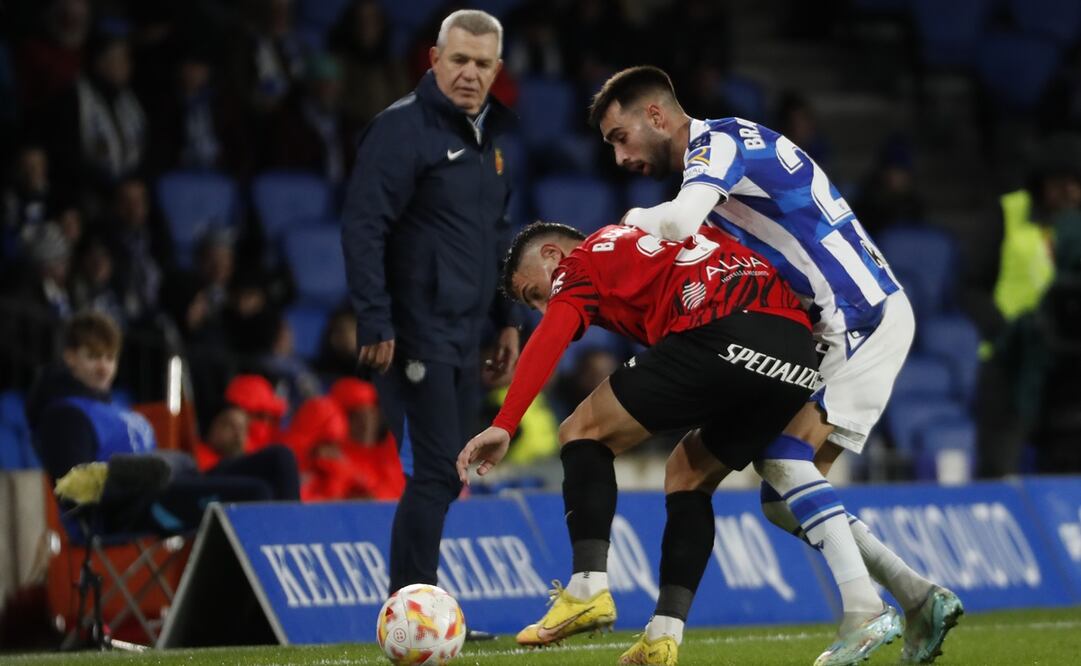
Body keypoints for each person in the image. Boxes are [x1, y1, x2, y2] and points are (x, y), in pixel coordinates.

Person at [588, 65, 960, 663]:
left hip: (856, 317)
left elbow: (678, 223)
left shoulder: (716, 146)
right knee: (783, 494)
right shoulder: (726, 156)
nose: (619, 157)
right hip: (848, 320)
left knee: (785, 460)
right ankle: (919, 599)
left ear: (656, 116)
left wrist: (629, 224)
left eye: (619, 137)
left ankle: (864, 613)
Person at [457, 221, 894, 666]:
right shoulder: (656, 240)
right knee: (688, 473)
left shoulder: (583, 258)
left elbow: (552, 334)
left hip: (725, 331)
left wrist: (506, 423)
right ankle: (664, 635)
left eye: (535, 294)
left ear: (552, 256)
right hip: (796, 354)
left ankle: (586, 587)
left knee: (580, 431)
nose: (543, 306)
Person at [340, 8, 523, 629]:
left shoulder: (489, 145)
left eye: (482, 64)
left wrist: (505, 319)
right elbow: (364, 226)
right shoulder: (400, 131)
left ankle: (419, 610)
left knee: (447, 476)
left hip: (464, 336)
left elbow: (496, 240)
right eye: (459, 60)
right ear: (434, 60)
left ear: (497, 70)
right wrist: (375, 319)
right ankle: (412, 615)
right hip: (413, 335)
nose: (469, 74)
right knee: (436, 473)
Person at [26, 311, 300, 533]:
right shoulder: (65, 414)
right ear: (70, 357)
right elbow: (72, 489)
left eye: (109, 358)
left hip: (169, 486)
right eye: (93, 357)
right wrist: (138, 472)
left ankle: (297, 549)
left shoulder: (116, 408)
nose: (103, 367)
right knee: (255, 493)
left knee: (279, 460)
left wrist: (165, 464)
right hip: (130, 510)